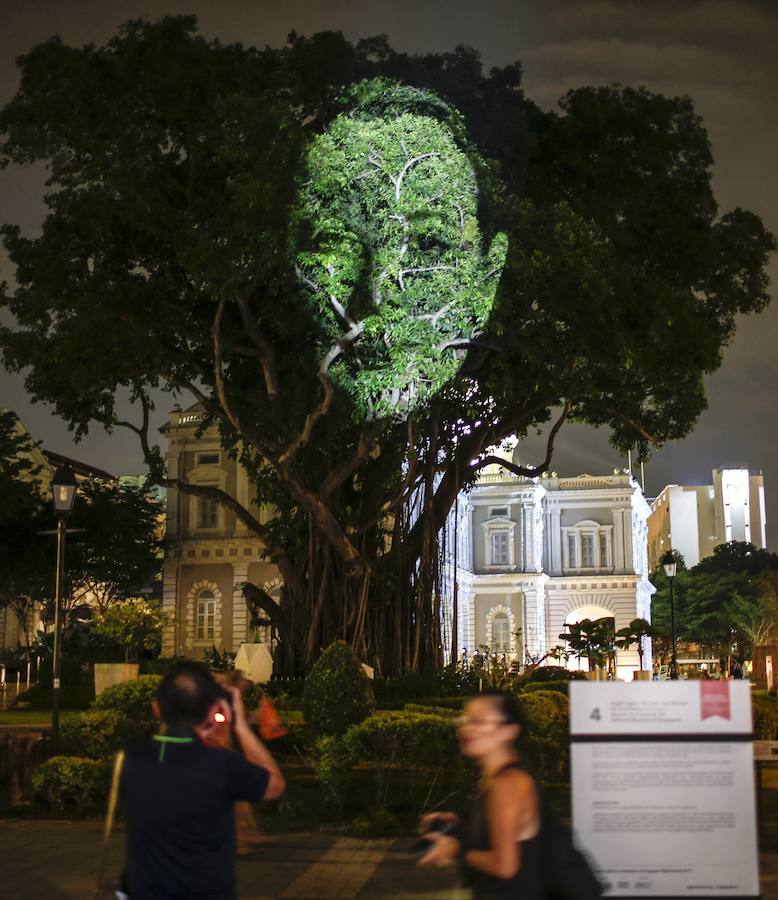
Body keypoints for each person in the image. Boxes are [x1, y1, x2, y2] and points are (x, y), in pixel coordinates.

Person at [120, 661, 285, 899]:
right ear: (211, 712)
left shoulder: (133, 760)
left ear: (157, 709)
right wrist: (239, 724)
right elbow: (274, 785)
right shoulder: (221, 765)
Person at [418, 691, 543, 899]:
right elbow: (501, 835)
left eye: (478, 721)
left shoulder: (508, 784)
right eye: (465, 719)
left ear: (509, 731)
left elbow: (505, 866)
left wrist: (456, 850)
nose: (466, 727)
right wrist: (458, 829)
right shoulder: (493, 778)